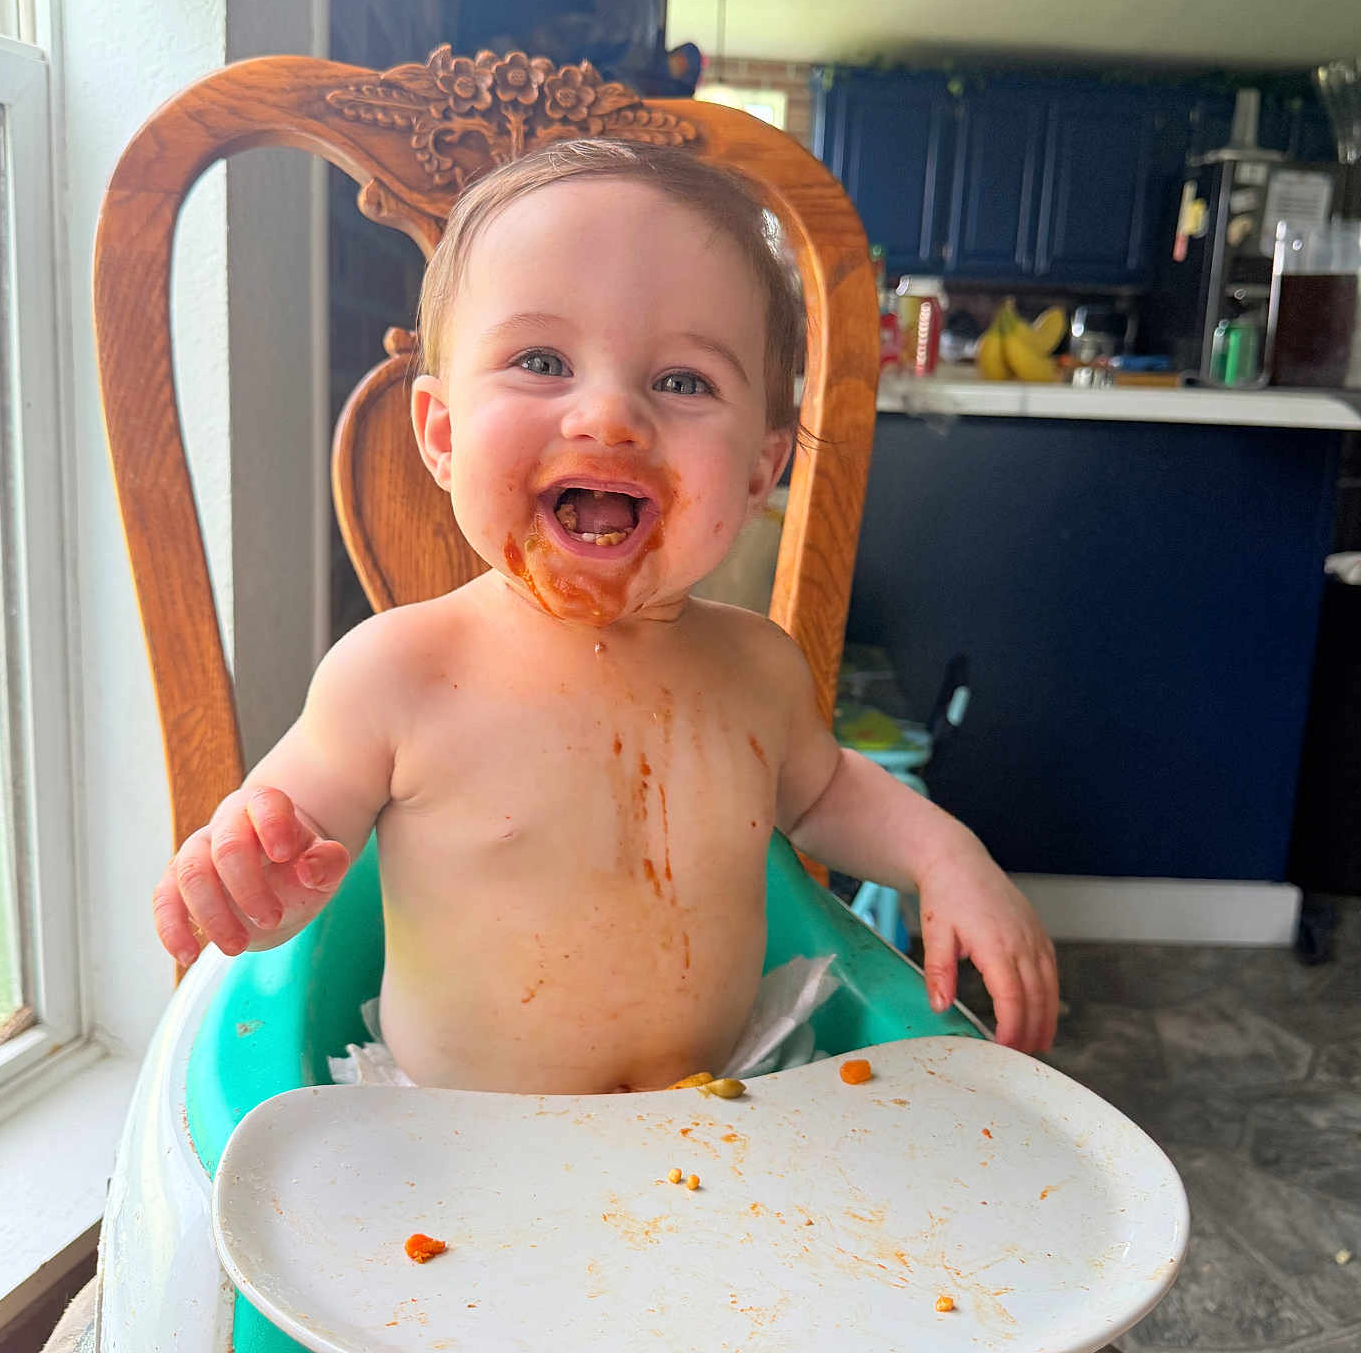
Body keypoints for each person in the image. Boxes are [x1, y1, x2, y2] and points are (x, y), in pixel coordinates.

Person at [151, 139, 1058, 1094]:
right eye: (542, 360)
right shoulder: (396, 675)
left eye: (683, 381)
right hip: (455, 1148)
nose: (611, 416)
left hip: (714, 1113)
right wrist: (250, 871)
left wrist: (945, 854)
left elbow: (825, 794)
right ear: (444, 436)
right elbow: (294, 889)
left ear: (759, 471)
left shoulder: (758, 669)